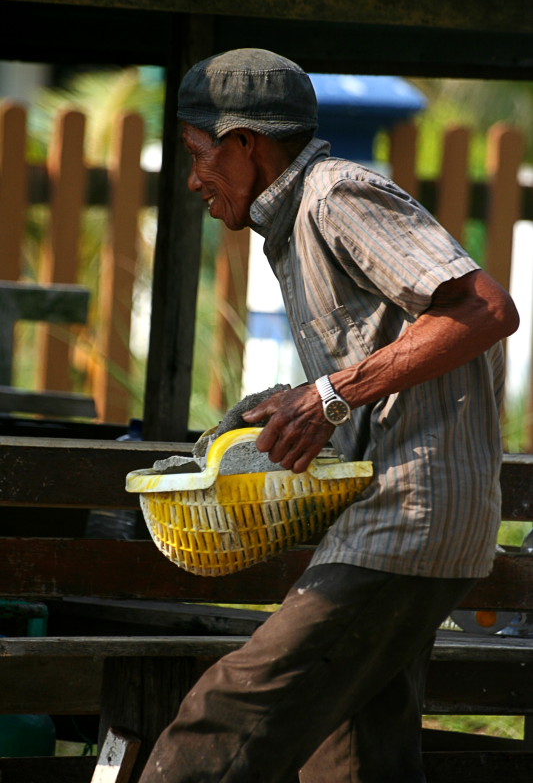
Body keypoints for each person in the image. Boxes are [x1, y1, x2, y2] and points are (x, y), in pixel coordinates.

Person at [139, 49, 519, 783]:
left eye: (198, 153)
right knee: (353, 761)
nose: (192, 179)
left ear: (245, 142)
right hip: (410, 521)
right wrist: (297, 397)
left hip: (406, 518)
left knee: (225, 719)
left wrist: (330, 395)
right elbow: (382, 357)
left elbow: (483, 309)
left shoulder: (333, 194)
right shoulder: (297, 221)